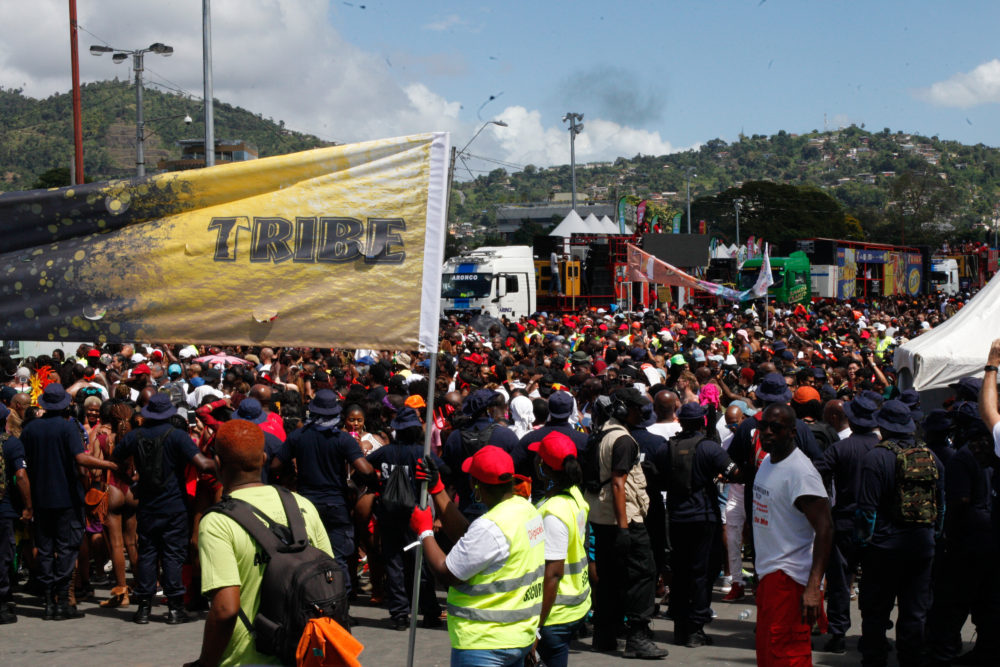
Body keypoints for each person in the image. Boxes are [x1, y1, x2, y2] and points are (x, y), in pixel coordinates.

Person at [186, 420, 333, 667]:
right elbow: (329, 574)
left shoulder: (217, 522)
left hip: (245, 659)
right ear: (264, 459)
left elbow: (225, 609)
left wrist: (204, 664)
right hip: (304, 654)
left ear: (218, 463)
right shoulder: (301, 505)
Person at [410, 445, 545, 667]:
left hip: (485, 643)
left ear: (475, 484)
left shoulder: (490, 527)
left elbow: (447, 572)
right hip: (519, 636)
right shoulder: (527, 510)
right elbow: (470, 539)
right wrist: (437, 489)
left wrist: (425, 532)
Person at [855, 400, 945, 667]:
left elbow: (866, 512)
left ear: (883, 427)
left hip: (883, 549)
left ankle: (875, 660)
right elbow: (942, 507)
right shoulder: (932, 458)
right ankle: (911, 659)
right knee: (915, 612)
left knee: (875, 612)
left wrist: (863, 546)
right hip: (922, 547)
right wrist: (933, 536)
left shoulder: (875, 458)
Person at [114, 393, 216, 624]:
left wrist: (131, 480)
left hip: (147, 504)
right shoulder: (177, 436)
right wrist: (223, 464)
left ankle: (143, 609)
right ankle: (175, 609)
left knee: (148, 553)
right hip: (173, 504)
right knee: (172, 554)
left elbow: (116, 457)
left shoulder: (135, 436)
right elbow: (202, 463)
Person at [21, 383, 118, 620]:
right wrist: (108, 464)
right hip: (66, 499)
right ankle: (62, 601)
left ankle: (48, 601)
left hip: (41, 499)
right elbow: (80, 459)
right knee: (66, 549)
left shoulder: (31, 429)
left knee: (45, 549)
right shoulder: (68, 428)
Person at [586, 387, 668, 659]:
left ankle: (604, 636)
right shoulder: (623, 440)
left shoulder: (602, 432)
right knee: (643, 575)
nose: (641, 414)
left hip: (602, 517)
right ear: (623, 409)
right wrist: (624, 528)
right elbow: (618, 483)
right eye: (636, 409)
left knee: (609, 577)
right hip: (625, 519)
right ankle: (637, 638)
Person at [752, 403, 832, 667]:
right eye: (763, 426)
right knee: (768, 656)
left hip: (790, 581)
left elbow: (825, 529)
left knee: (788, 658)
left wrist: (813, 587)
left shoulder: (801, 473)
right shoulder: (767, 461)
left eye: (776, 427)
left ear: (792, 432)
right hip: (770, 577)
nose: (767, 432)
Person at [656, 401, 740, 647]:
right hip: (703, 518)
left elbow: (656, 477)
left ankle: (680, 628)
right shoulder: (709, 448)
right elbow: (735, 472)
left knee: (680, 572)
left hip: (676, 518)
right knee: (701, 574)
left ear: (681, 422)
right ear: (702, 422)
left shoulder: (666, 448)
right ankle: (695, 629)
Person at [287, 389, 374, 596]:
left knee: (308, 554)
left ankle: (313, 597)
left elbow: (275, 464)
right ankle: (341, 601)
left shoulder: (298, 436)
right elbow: (365, 470)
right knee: (338, 556)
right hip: (336, 505)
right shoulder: (343, 439)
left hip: (306, 504)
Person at [812, 393, 881, 654]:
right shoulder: (882, 448)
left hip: (844, 522)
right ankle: (874, 634)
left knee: (840, 581)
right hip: (875, 525)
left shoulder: (841, 449)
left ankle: (838, 634)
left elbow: (815, 472)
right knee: (874, 581)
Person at [364, 406, 443, 630]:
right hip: (415, 516)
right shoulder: (421, 453)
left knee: (394, 564)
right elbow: (444, 470)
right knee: (420, 564)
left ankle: (399, 614)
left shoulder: (385, 453)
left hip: (388, 515)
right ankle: (429, 611)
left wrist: (377, 483)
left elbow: (364, 466)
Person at [528, 431, 592, 667]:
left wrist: (536, 628)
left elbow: (553, 573)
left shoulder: (553, 513)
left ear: (543, 467)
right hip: (575, 603)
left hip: (554, 614)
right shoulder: (574, 494)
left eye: (538, 457)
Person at [0, 405, 31, 624]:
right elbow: (21, 476)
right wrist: (28, 506)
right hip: (4, 509)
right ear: (6, 421)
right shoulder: (11, 443)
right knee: (3, 556)